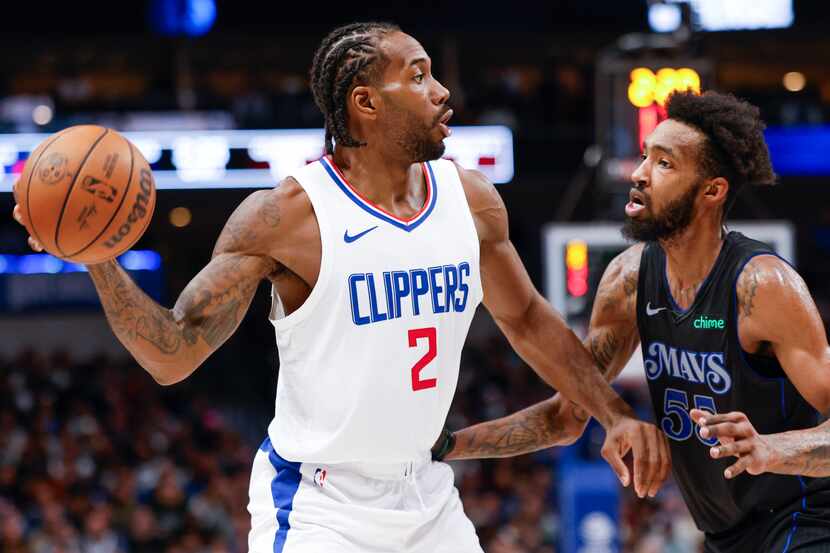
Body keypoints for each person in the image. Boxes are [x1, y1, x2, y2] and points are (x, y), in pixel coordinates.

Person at [11, 22, 668, 553]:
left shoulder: (471, 201)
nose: (442, 92)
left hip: (425, 493)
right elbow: (173, 352)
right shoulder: (288, 217)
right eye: (418, 76)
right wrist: (99, 258)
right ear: (366, 103)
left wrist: (612, 413)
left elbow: (526, 318)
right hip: (320, 505)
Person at [435, 90, 830, 552]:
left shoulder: (762, 286)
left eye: (664, 164)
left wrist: (771, 450)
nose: (639, 174)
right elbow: (567, 416)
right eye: (646, 157)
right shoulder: (629, 279)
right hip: (728, 536)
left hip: (806, 521)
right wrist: (445, 445)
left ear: (712, 190)